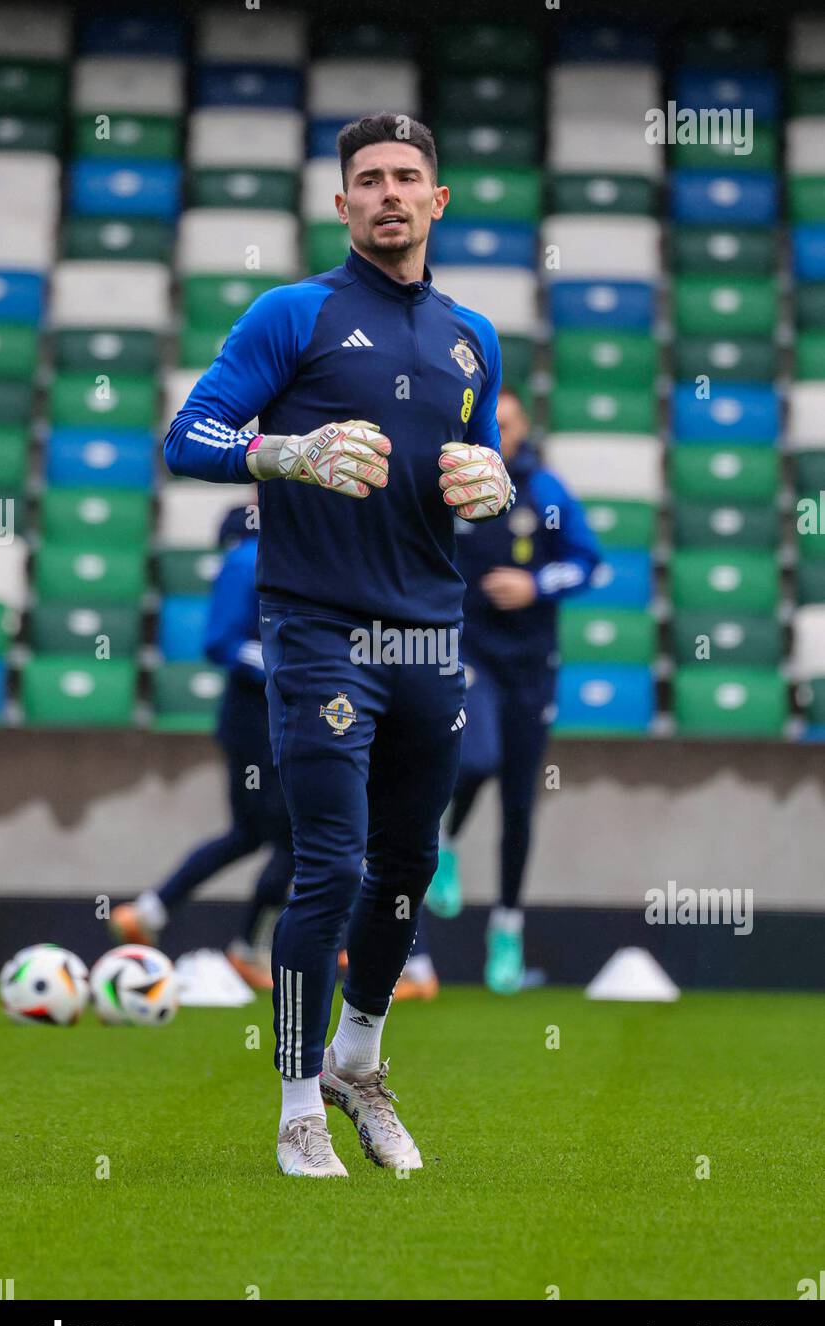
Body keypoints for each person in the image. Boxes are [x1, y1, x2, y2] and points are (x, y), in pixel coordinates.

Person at [163, 111, 514, 1177]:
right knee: (329, 863)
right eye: (369, 178)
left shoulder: (471, 337)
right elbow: (189, 435)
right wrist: (287, 451)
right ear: (341, 203)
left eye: (409, 175)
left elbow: (474, 469)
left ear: (437, 200)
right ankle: (295, 1104)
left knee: (409, 858)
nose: (390, 193)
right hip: (317, 626)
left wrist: (492, 488)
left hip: (430, 630)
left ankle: (358, 1060)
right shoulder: (292, 313)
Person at [425, 386, 601, 994]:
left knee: (520, 801)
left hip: (531, 662)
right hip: (470, 651)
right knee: (479, 754)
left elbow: (588, 562)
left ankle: (506, 929)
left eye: (509, 422)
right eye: (489, 424)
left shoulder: (545, 491)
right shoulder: (452, 483)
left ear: (523, 428)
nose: (500, 433)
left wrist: (534, 584)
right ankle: (442, 842)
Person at [110, 504, 294, 991]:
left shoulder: (256, 557)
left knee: (253, 833)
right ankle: (244, 944)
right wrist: (293, 666)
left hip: (260, 718)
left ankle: (154, 911)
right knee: (291, 837)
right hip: (259, 719)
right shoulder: (248, 561)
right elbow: (220, 643)